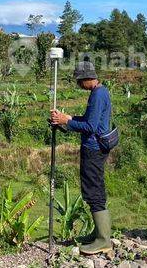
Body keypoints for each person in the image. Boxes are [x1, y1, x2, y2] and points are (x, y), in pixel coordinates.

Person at [50, 58, 113, 255]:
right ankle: (98, 233)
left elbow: (90, 127)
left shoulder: (97, 95)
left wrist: (66, 122)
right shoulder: (99, 92)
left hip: (93, 149)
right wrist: (67, 119)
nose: (78, 85)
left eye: (79, 81)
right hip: (96, 147)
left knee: (93, 191)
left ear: (88, 79)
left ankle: (103, 240)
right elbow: (87, 120)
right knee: (94, 190)